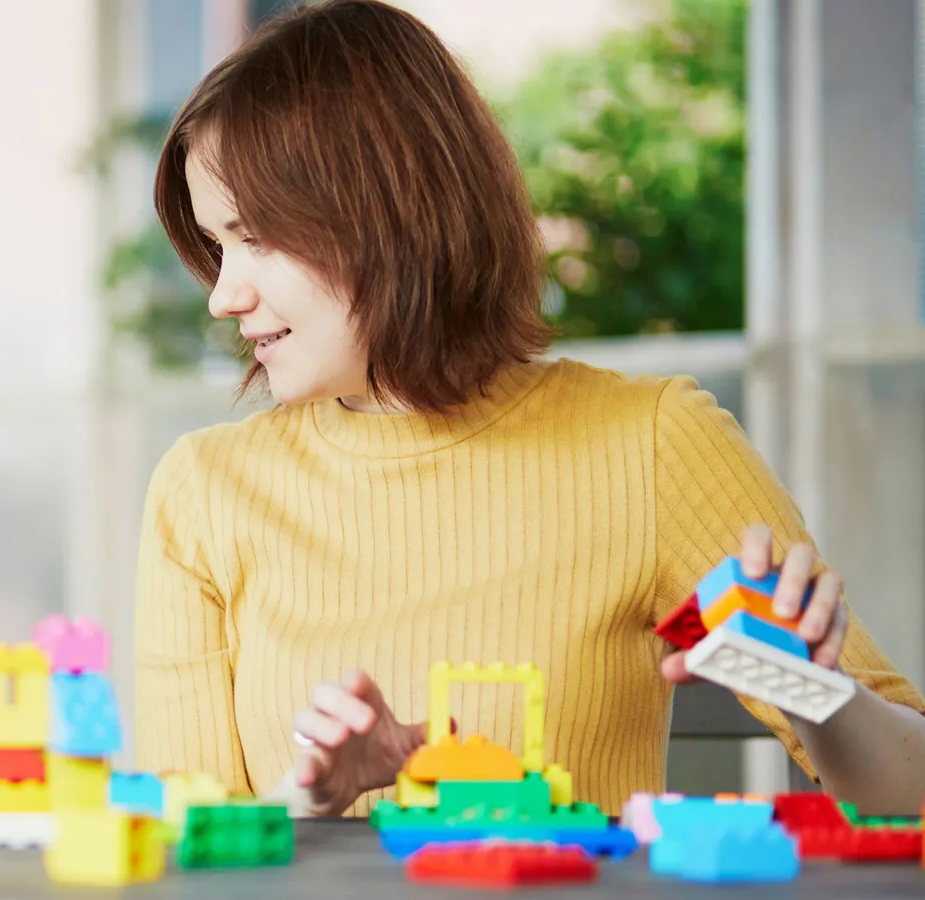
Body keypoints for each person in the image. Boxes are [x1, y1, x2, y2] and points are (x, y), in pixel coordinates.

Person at [132, 0, 925, 818]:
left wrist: (811, 693)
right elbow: (191, 860)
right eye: (217, 246)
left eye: (256, 236)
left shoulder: (648, 444)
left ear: (389, 209)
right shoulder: (204, 493)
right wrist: (314, 808)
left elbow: (913, 793)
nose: (225, 295)